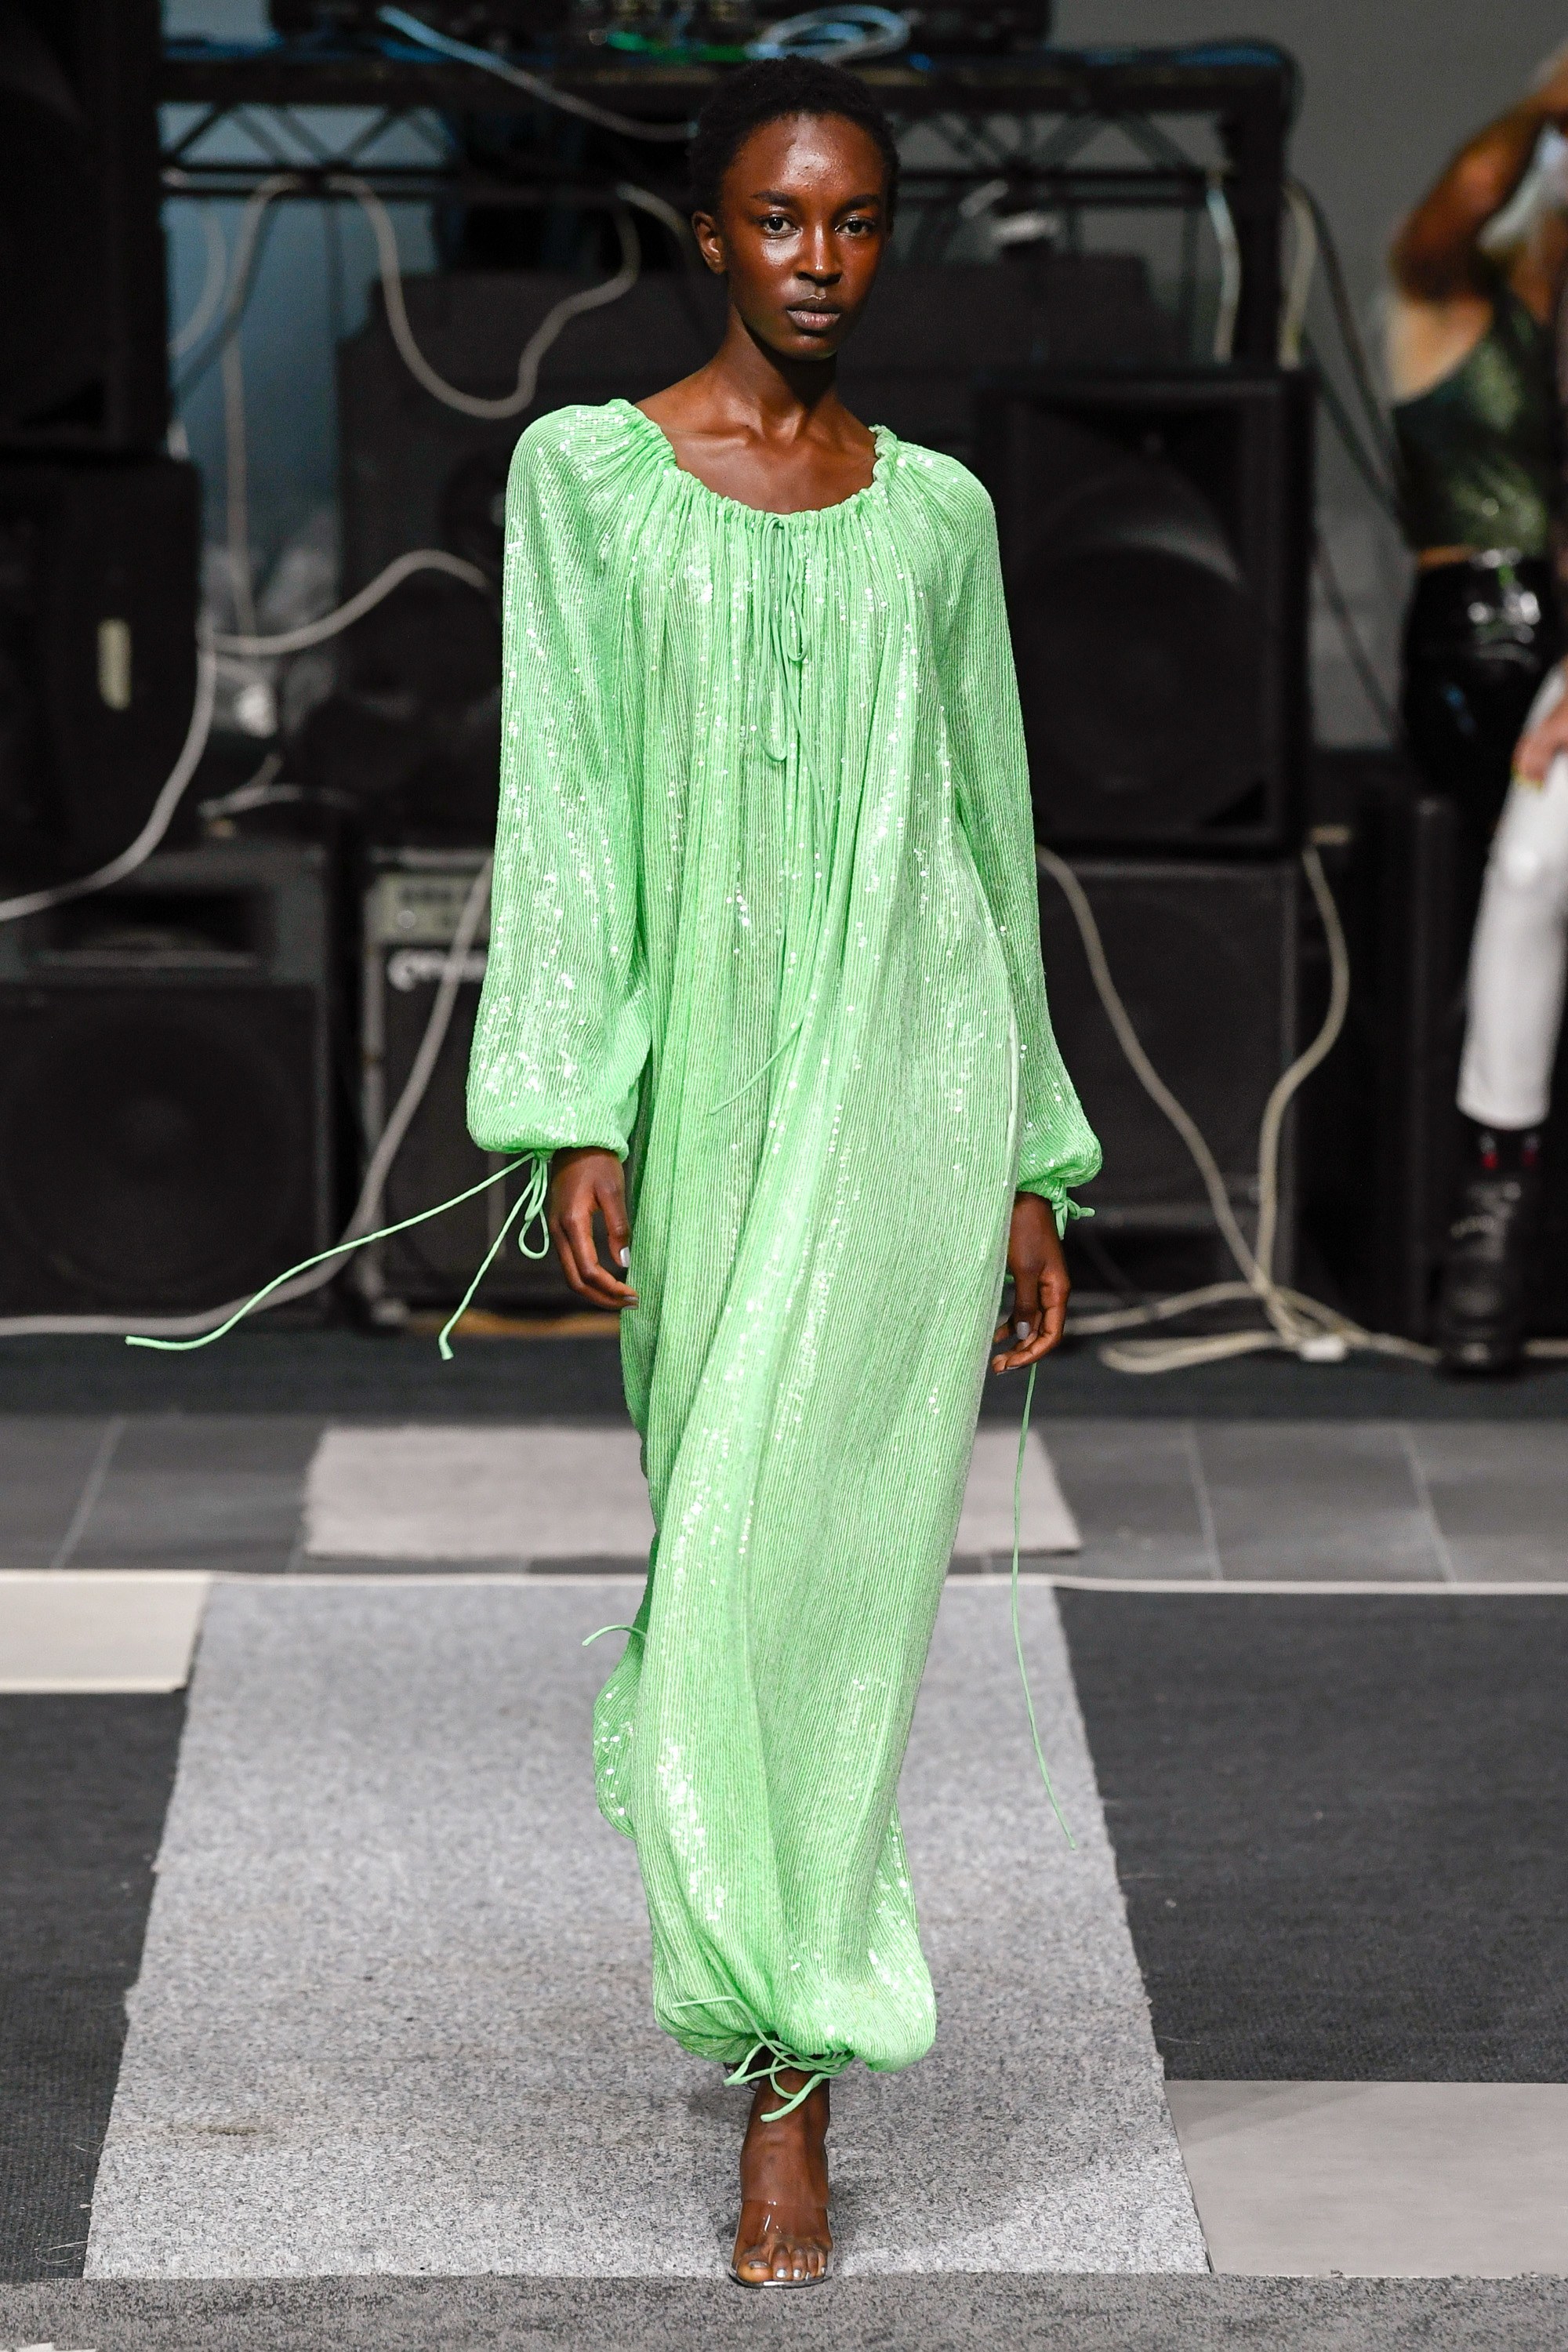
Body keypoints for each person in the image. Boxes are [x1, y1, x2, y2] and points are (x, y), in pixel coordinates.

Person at [465, 57, 1098, 2288]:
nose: (819, 261)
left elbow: (991, 837)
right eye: (778, 220)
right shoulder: (590, 485)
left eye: (854, 223)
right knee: (715, 1540)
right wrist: (577, 1102)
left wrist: (1032, 1154)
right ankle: (769, 1996)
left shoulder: (938, 521)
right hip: (717, 1090)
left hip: (915, 1080)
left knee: (820, 1587)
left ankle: (785, 2084)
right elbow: (562, 801)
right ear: (707, 234)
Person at [1387, 62, 1568, 1369]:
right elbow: (1451, 215)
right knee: (1531, 860)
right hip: (1507, 653)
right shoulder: (1461, 307)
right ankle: (1495, 1199)